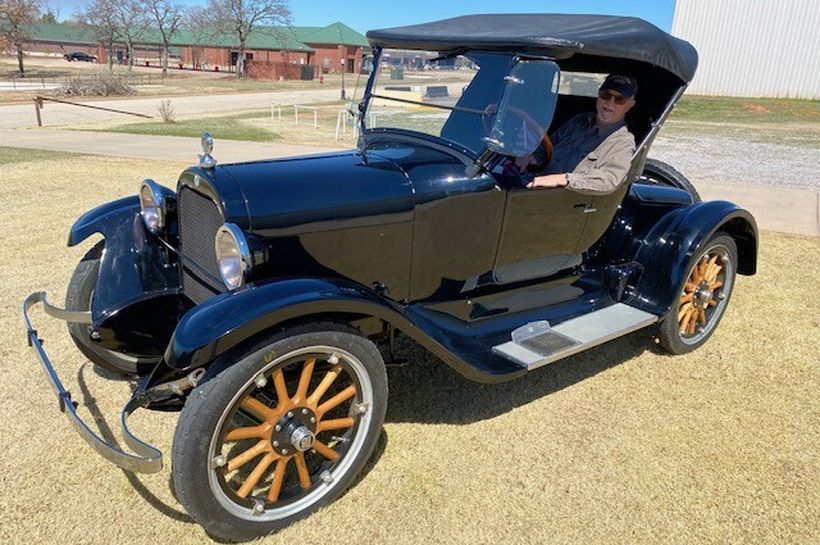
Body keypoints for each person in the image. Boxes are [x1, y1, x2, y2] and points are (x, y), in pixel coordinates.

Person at [518, 74, 638, 194]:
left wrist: (564, 179)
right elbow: (548, 147)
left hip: (562, 199)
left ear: (630, 105)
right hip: (531, 185)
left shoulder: (622, 141)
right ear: (598, 95)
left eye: (619, 99)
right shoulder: (580, 121)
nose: (610, 102)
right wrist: (532, 157)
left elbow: (610, 179)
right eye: (606, 95)